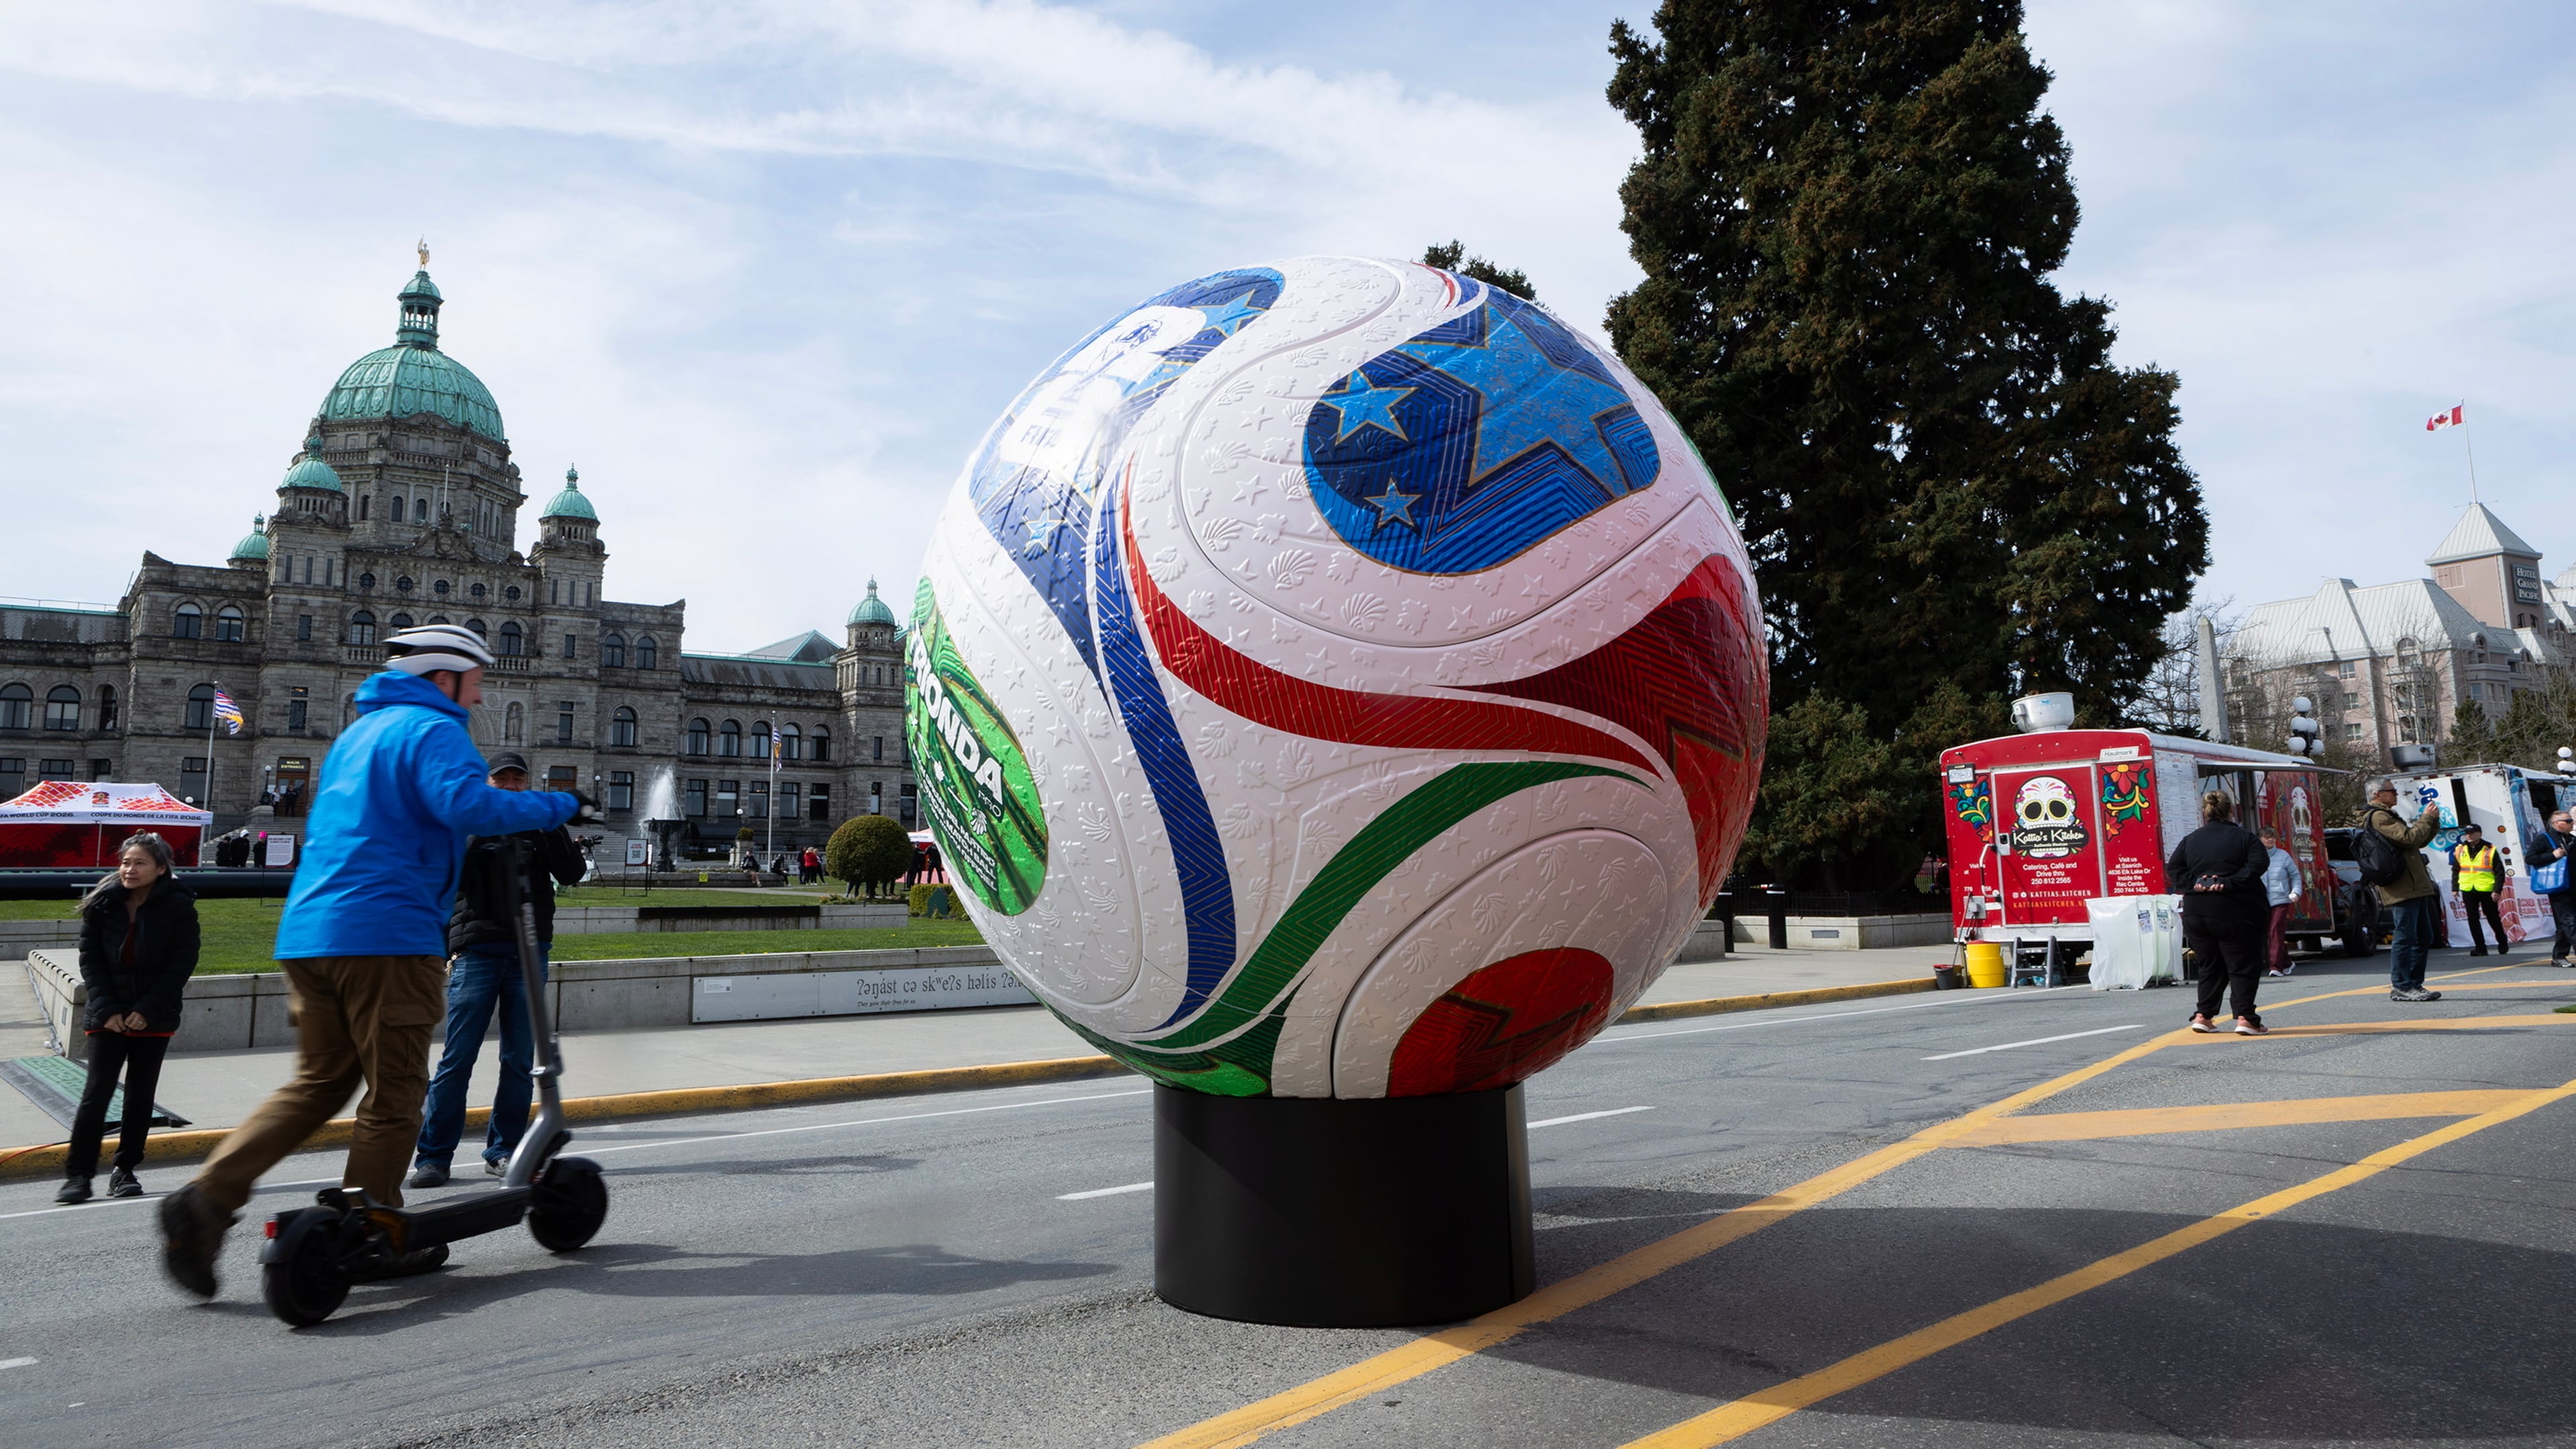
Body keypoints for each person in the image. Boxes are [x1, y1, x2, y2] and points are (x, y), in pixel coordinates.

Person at [158, 625, 595, 1299]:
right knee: (395, 1094)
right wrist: (561, 804)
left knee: (319, 1083)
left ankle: (208, 1201)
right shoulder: (432, 728)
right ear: (442, 679)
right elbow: (467, 804)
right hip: (387, 935)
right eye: (473, 678)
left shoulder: (355, 737)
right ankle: (372, 1231)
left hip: (311, 934)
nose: (479, 692)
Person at [407, 752, 588, 1188]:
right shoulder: (470, 820)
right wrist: (490, 824)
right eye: (501, 779)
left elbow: (572, 871)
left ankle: (504, 1150)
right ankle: (433, 1157)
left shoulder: (541, 821)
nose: (509, 785)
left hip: (530, 951)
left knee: (520, 1059)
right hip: (477, 950)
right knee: (458, 1057)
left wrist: (545, 826)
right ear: (487, 784)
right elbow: (450, 875)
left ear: (527, 784)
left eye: (517, 779)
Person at [59, 833, 198, 1204]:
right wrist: (109, 1010)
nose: (129, 870)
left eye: (139, 863)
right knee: (96, 1094)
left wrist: (145, 1011)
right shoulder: (103, 904)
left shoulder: (179, 906)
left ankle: (125, 1171)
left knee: (140, 1096)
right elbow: (90, 960)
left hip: (154, 1015)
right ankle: (79, 1176)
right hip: (107, 1016)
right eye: (125, 862)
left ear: (161, 869)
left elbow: (181, 964)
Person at [2166, 791, 2272, 1034]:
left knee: (2209, 965)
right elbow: (2259, 864)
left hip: (2197, 912)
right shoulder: (2244, 838)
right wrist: (2229, 881)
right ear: (2231, 810)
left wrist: (2196, 883)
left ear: (2205, 812)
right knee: (2242, 964)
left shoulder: (2190, 840)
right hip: (2237, 910)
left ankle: (2203, 1015)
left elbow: (2174, 868)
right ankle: (2246, 1018)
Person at [2358, 780, 2446, 1002]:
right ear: (2377, 794)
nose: (2396, 794)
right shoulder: (2379, 817)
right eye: (2392, 791)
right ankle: (2402, 985)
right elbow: (2409, 838)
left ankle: (2415, 983)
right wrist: (2426, 818)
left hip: (2413, 884)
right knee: (2405, 936)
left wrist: (2432, 821)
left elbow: (2418, 842)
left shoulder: (2388, 815)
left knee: (2424, 935)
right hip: (2401, 886)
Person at [2526, 808, 2576, 968]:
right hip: (2558, 887)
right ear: (2556, 824)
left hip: (2573, 885)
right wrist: (2552, 856)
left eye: (2571, 820)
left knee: (2564, 923)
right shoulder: (2544, 839)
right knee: (2570, 921)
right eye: (2567, 821)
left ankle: (2559, 956)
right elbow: (2530, 858)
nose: (2572, 823)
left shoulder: (2571, 839)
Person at [2449, 822, 2508, 959]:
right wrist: (2455, 887)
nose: (2469, 835)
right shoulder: (2460, 849)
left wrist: (2497, 890)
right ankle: (2480, 947)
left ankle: (2502, 939)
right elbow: (2456, 869)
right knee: (2472, 918)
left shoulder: (2490, 849)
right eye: (2467, 833)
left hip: (2486, 888)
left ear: (2480, 834)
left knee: (2492, 917)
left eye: (2472, 833)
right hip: (2468, 888)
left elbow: (2500, 872)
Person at [2258, 826, 2301, 979]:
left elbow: (2295, 876)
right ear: (2260, 839)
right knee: (2270, 933)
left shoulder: (2283, 856)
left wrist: (2295, 892)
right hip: (2262, 901)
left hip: (2281, 899)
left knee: (2276, 930)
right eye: (2267, 837)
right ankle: (2288, 962)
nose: (2270, 840)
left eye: (2273, 837)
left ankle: (2275, 966)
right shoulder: (2255, 856)